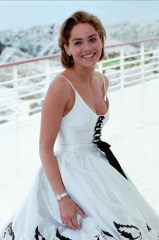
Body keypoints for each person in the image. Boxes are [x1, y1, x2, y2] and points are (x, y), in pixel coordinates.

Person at [1, 10, 159, 240]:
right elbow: (45, 149)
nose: (87, 48)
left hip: (99, 167)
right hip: (70, 174)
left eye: (93, 39)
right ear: (67, 48)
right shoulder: (60, 86)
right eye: (78, 42)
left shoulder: (103, 80)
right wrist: (62, 198)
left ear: (102, 40)